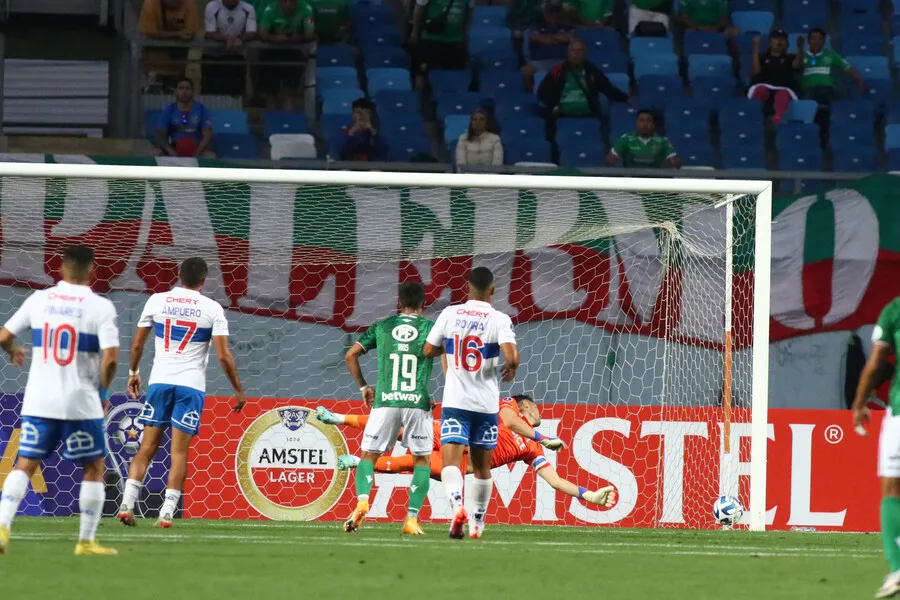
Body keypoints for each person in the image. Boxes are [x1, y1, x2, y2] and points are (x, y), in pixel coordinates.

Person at [0, 245, 119, 556]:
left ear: (61, 268)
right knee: (93, 466)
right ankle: (86, 541)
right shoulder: (101, 307)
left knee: (24, 464)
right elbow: (110, 359)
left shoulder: (39, 300)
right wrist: (103, 392)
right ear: (92, 267)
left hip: (39, 400)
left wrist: (13, 351)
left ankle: (2, 527)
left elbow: (3, 336)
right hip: (81, 402)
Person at [117, 257, 246, 528]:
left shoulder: (157, 301)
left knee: (147, 448)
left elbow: (138, 344)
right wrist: (238, 389)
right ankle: (166, 513)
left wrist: (133, 373)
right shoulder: (212, 309)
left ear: (179, 275)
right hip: (191, 386)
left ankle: (127, 505)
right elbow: (224, 356)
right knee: (178, 454)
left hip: (160, 382)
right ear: (204, 279)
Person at [322, 396, 616, 511]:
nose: (540, 411)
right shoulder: (511, 406)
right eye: (536, 407)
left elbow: (555, 482)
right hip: (454, 434)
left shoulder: (533, 450)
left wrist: (589, 496)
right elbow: (510, 421)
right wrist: (544, 435)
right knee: (400, 428)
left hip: (464, 462)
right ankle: (338, 418)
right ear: (526, 406)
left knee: (411, 463)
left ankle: (360, 463)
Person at [422, 266, 519, 539]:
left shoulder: (450, 313)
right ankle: (477, 523)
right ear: (492, 290)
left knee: (451, 464)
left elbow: (428, 349)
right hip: (486, 406)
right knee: (481, 467)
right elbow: (511, 357)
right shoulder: (499, 319)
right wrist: (512, 368)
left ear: (467, 288)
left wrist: (451, 347)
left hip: (456, 402)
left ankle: (456, 508)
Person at [341, 282, 436, 536]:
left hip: (385, 401)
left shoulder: (382, 326)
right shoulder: (430, 327)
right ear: (423, 305)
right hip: (417, 401)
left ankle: (362, 500)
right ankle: (412, 519)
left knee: (369, 456)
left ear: (398, 305)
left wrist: (364, 387)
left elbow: (350, 355)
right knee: (422, 460)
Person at [853, 301, 900, 598]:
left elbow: (879, 359)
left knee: (893, 488)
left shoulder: (895, 309)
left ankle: (898, 569)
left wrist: (859, 403)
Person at [537, 38, 630, 118]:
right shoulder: (558, 70)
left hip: (588, 115)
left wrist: (626, 98)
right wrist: (554, 105)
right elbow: (542, 92)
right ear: (568, 53)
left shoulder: (591, 70)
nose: (576, 54)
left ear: (585, 53)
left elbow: (608, 88)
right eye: (573, 51)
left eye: (580, 51)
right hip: (562, 115)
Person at [258, 0, 316, 111]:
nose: (288, 4)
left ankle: (287, 118)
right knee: (270, 91)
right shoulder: (270, 8)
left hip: (294, 50)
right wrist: (275, 38)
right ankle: (272, 116)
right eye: (285, 1)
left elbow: (309, 33)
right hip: (272, 50)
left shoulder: (306, 8)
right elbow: (262, 33)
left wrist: (295, 38)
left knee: (288, 91)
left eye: (291, 2)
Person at [410, 0, 474, 91]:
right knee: (425, 76)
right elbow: (418, 9)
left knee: (455, 76)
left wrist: (465, 31)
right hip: (430, 39)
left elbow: (469, 11)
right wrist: (415, 31)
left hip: (455, 41)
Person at [139, 0, 201, 92]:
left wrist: (183, 36)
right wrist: (177, 34)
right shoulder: (150, 4)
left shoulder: (189, 4)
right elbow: (150, 33)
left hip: (178, 69)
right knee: (152, 100)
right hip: (153, 69)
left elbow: (191, 31)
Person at [795, 29, 866, 107]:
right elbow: (797, 66)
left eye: (820, 39)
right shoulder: (801, 55)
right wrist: (800, 48)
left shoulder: (831, 55)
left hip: (827, 89)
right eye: (814, 39)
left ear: (824, 41)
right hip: (809, 90)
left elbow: (847, 68)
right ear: (808, 41)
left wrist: (859, 79)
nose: (817, 42)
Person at [204, 0, 258, 96]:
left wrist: (240, 39)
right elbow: (210, 32)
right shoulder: (212, 6)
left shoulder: (248, 8)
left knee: (236, 93)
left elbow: (252, 32)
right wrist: (227, 39)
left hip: (236, 56)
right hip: (213, 57)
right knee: (210, 92)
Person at [521, 0, 575, 92]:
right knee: (526, 70)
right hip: (539, 62)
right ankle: (531, 93)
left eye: (556, 12)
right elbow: (535, 38)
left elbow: (570, 39)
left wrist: (547, 39)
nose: (553, 15)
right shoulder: (535, 28)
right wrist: (557, 39)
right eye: (551, 12)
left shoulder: (568, 28)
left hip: (561, 61)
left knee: (571, 70)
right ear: (545, 14)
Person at [154, 77, 216, 158]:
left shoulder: (201, 109)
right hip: (173, 148)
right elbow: (160, 134)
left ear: (193, 92)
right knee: (155, 153)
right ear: (176, 92)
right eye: (181, 88)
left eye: (188, 88)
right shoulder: (169, 110)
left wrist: (196, 153)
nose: (184, 91)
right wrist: (170, 151)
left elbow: (207, 135)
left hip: (197, 148)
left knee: (210, 156)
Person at [748, 30, 799, 125]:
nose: (779, 41)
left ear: (787, 44)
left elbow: (797, 66)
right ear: (770, 42)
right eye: (776, 39)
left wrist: (800, 48)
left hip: (783, 87)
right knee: (760, 90)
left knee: (782, 94)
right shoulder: (762, 57)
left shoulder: (791, 57)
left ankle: (778, 119)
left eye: (783, 39)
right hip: (764, 85)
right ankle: (754, 118)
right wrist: (755, 50)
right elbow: (756, 71)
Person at [606, 109, 681, 168]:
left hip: (655, 180)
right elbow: (609, 161)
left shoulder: (662, 141)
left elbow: (676, 163)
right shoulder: (626, 139)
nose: (645, 124)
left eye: (648, 120)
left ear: (653, 124)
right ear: (637, 123)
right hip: (632, 180)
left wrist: (675, 160)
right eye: (641, 120)